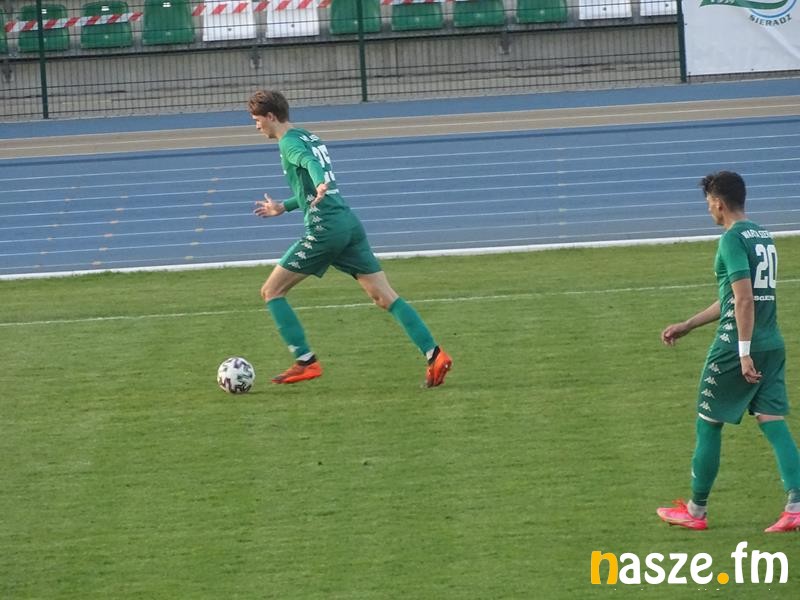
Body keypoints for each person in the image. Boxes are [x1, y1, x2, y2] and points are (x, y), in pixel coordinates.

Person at [247, 90, 452, 387]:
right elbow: (311, 180)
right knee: (385, 297)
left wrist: (319, 182)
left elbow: (309, 164)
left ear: (270, 116)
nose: (256, 126)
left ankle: (305, 361)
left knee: (271, 291)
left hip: (325, 228)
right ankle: (435, 354)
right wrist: (284, 206)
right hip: (347, 223)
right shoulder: (307, 135)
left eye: (257, 120)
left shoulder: (289, 143)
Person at [656, 171, 800, 532]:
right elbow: (735, 298)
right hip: (772, 343)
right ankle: (797, 506)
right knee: (772, 421)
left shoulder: (731, 240)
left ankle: (696, 510)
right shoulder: (761, 235)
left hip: (736, 346)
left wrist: (743, 352)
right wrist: (689, 324)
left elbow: (744, 300)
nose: (708, 210)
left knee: (708, 423)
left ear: (719, 203)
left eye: (708, 203)